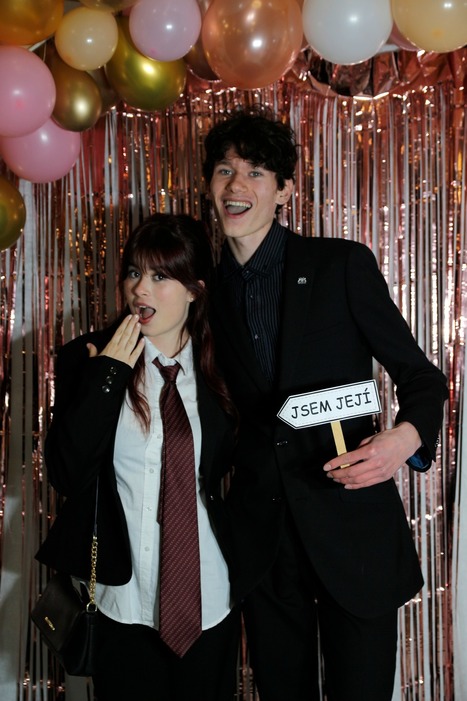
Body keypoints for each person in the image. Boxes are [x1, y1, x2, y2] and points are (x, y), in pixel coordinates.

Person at [202, 109, 448, 701]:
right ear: (209, 185)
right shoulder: (203, 292)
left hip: (352, 528)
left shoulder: (340, 265)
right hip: (263, 543)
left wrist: (402, 440)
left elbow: (422, 378)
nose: (237, 186)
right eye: (225, 170)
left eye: (256, 172)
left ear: (285, 190)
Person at [36, 213, 241, 701]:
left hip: (209, 598)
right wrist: (107, 377)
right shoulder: (86, 358)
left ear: (194, 290)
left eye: (160, 276)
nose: (140, 289)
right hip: (120, 601)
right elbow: (65, 473)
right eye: (133, 272)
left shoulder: (227, 368)